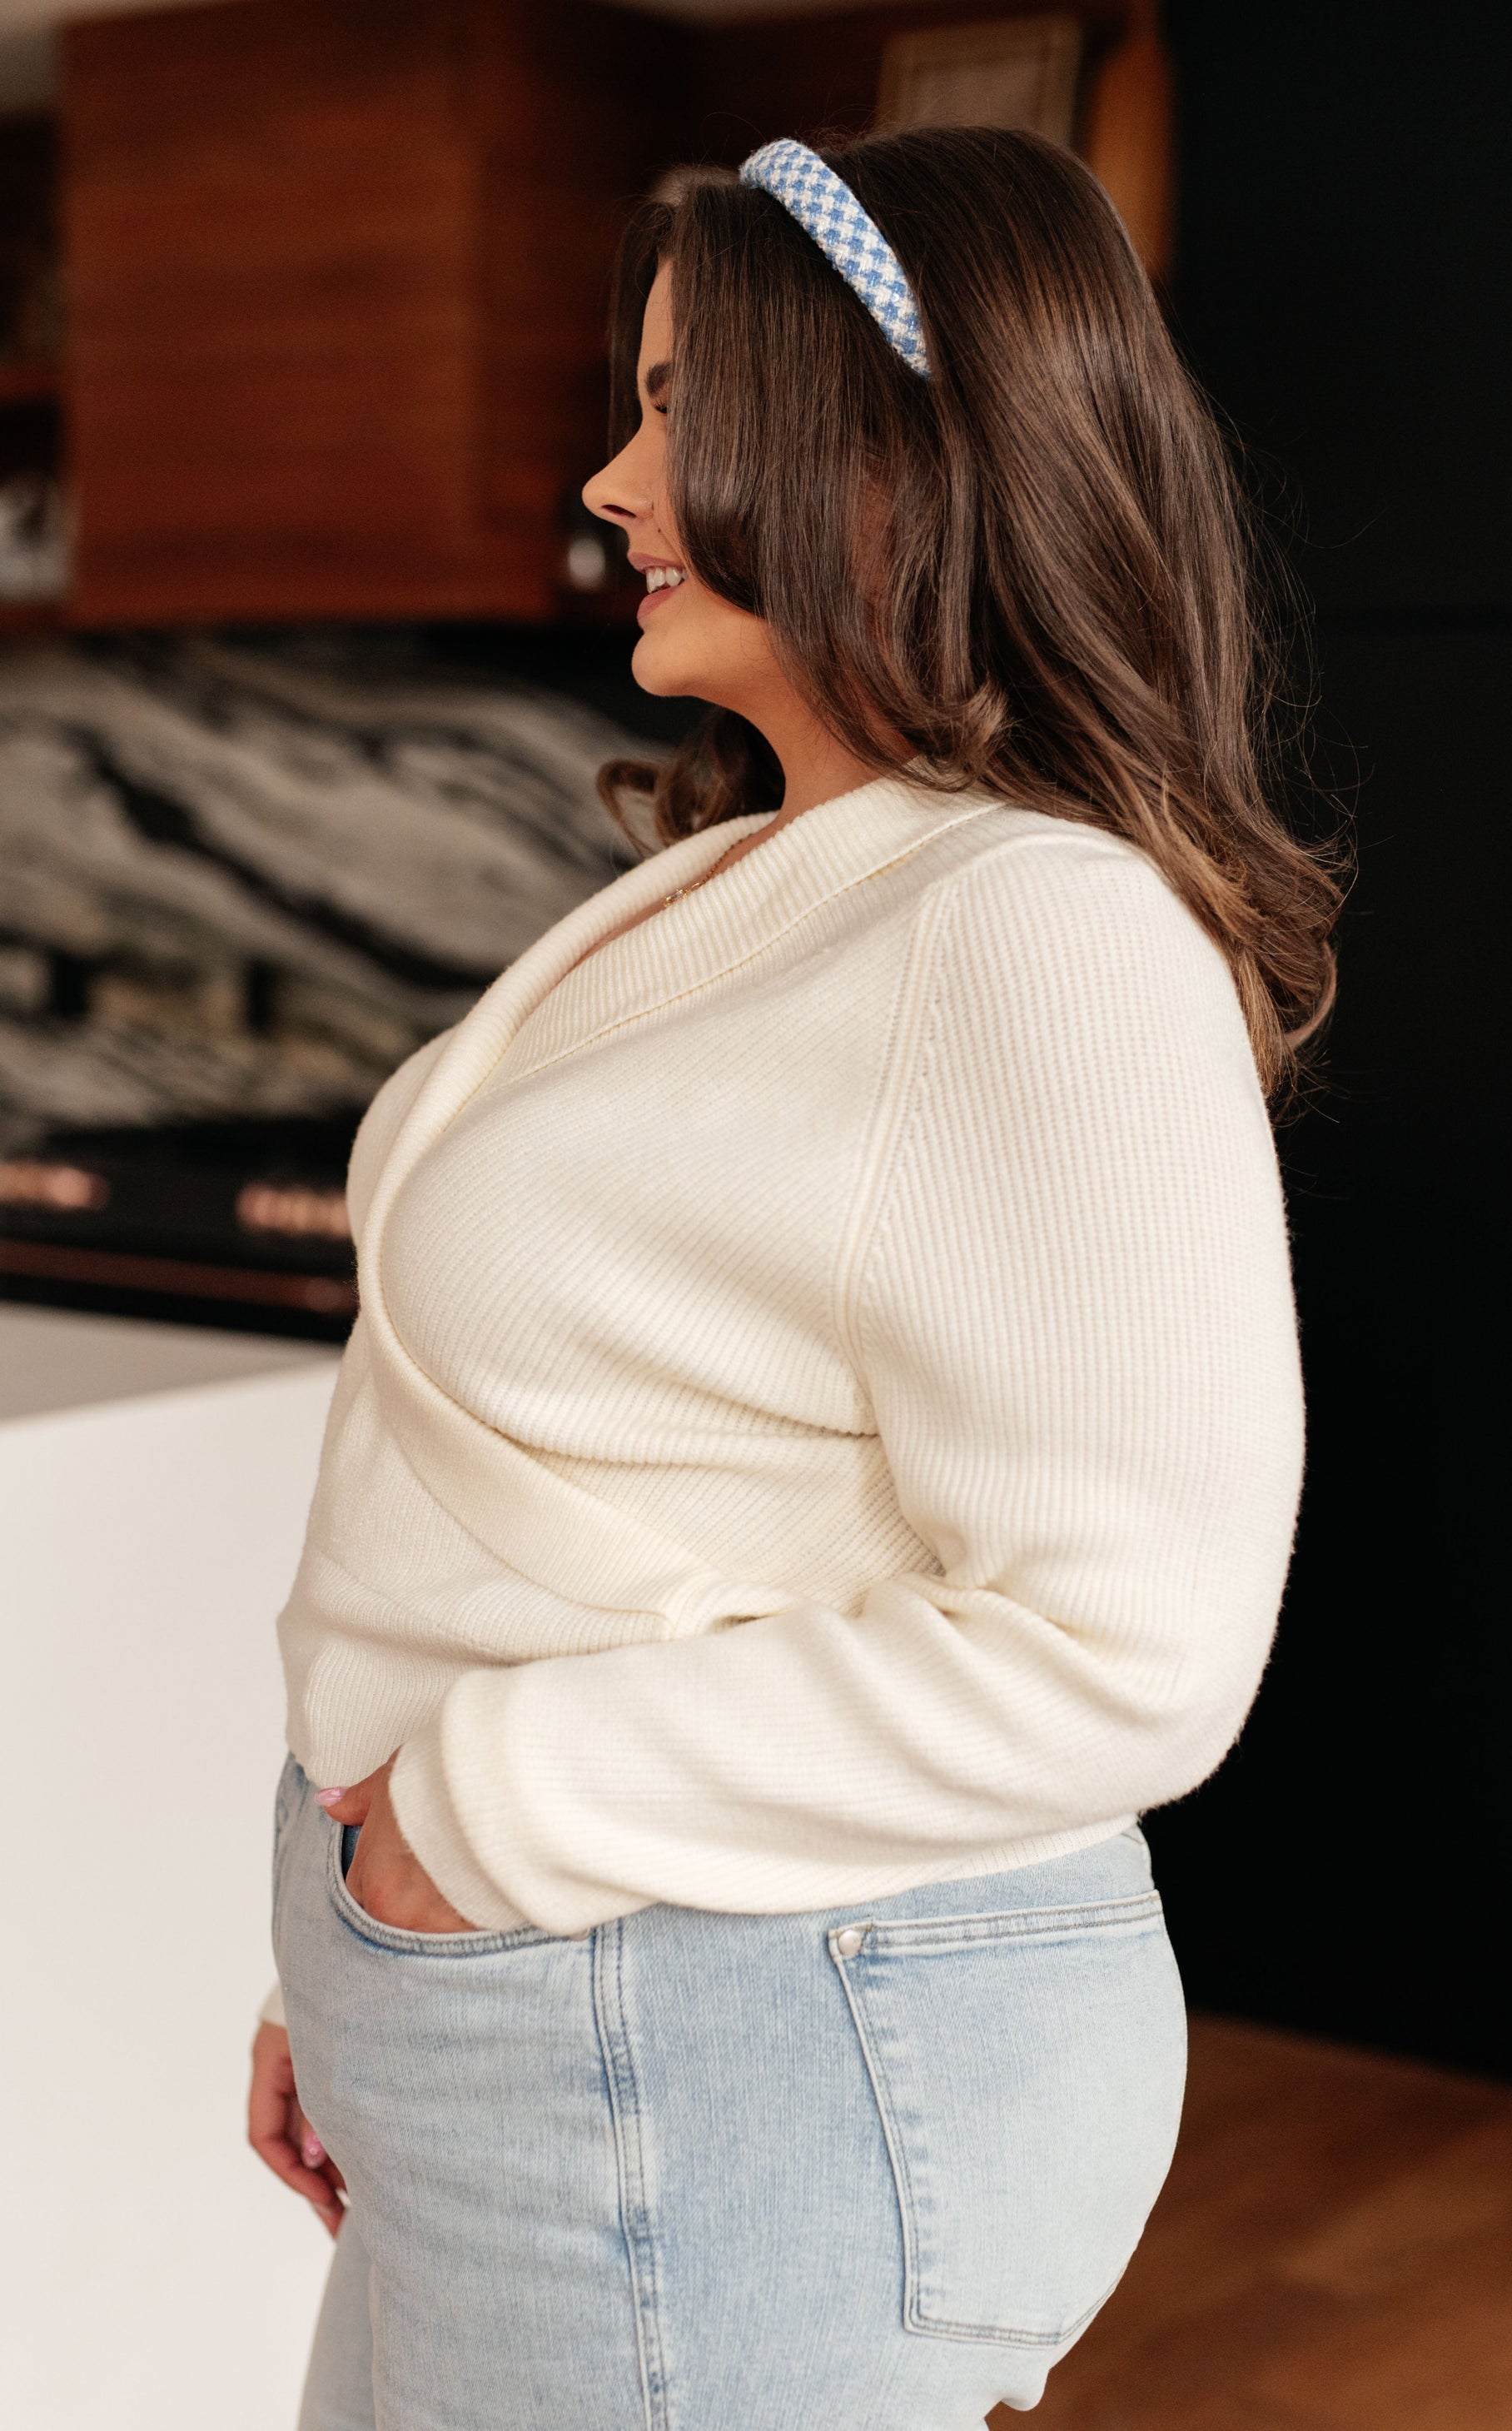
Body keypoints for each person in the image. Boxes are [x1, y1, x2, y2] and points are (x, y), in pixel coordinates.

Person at [248, 127, 1337, 2431]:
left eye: (677, 406)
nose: (609, 478)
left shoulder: (1036, 933)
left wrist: (466, 1827)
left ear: (882, 454)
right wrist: (356, 1963)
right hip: (546, 2003)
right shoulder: (771, 880)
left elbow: (1130, 1647)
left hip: (707, 2028)